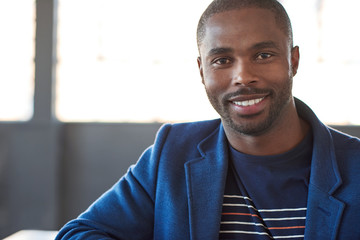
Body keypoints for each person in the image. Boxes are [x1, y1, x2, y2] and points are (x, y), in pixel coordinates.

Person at [56, 0, 360, 239]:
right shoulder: (172, 153)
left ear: (292, 61)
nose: (243, 77)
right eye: (222, 61)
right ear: (202, 71)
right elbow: (78, 234)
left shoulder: (355, 165)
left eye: (263, 55)